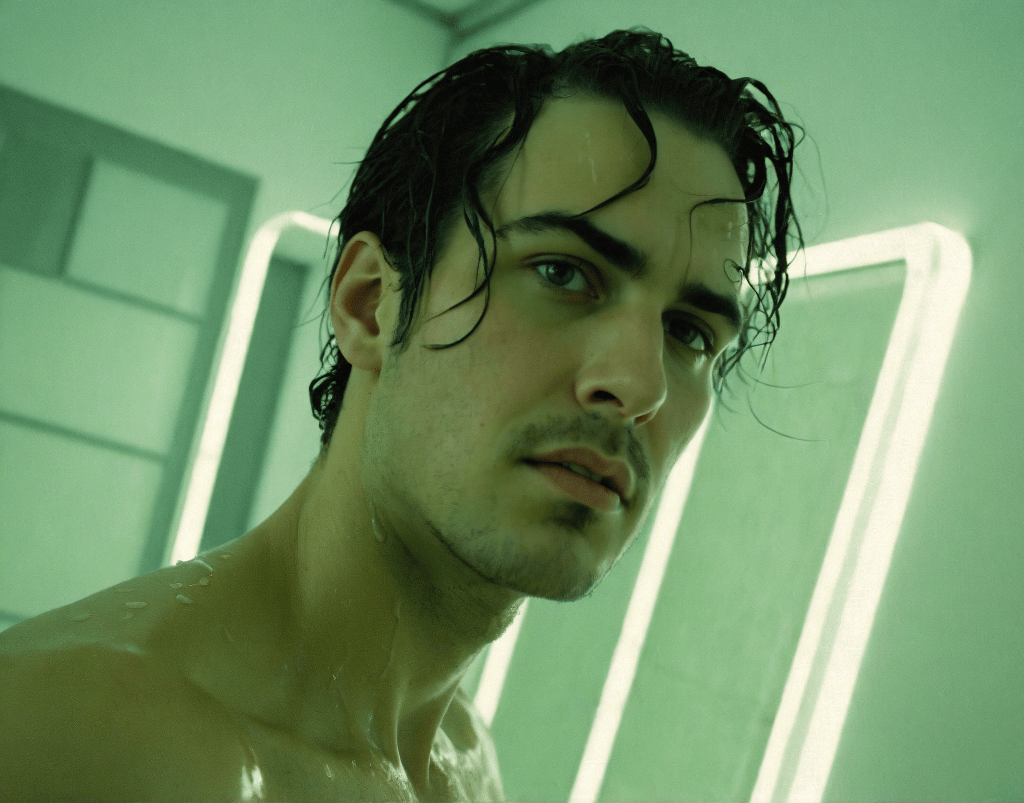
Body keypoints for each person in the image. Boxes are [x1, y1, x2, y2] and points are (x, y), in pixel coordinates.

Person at [0, 27, 803, 801]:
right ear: (368, 304)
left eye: (688, 332)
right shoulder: (71, 739)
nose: (638, 384)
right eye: (563, 272)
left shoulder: (465, 757)